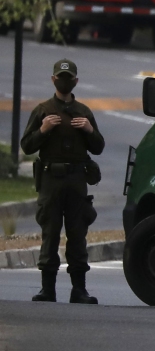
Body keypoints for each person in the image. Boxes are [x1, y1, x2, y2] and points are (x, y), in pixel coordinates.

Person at [20, 58, 104, 304]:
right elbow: (26, 146)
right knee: (50, 233)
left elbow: (98, 147)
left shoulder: (83, 112)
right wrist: (43, 129)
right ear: (53, 80)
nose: (65, 81)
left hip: (77, 180)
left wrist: (89, 130)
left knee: (78, 235)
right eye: (60, 77)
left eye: (69, 78)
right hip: (51, 181)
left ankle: (79, 289)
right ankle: (48, 289)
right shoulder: (43, 110)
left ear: (75, 81)